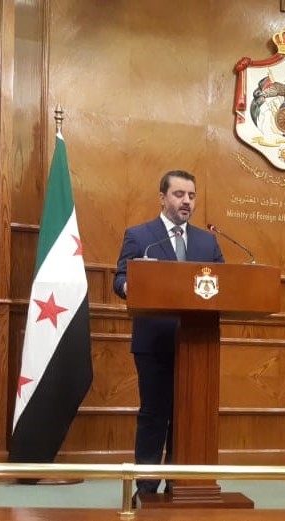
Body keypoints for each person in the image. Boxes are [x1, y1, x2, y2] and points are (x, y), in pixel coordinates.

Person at [113, 170, 224, 503]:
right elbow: (120, 278)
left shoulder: (207, 242)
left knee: (187, 415)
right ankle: (146, 487)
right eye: (179, 194)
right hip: (154, 342)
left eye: (191, 195)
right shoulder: (140, 236)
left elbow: (226, 283)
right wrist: (129, 286)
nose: (186, 201)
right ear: (162, 198)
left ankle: (180, 482)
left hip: (197, 344)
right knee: (154, 415)